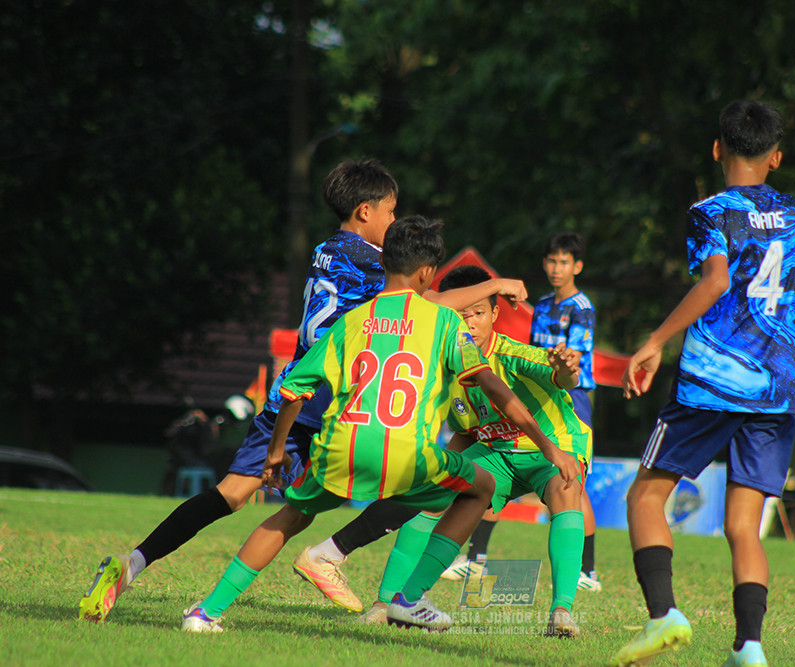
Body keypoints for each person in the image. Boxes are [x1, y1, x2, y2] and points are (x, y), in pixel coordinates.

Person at [79, 158, 528, 623]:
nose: (394, 222)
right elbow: (424, 302)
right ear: (363, 212)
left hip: (291, 397)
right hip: (334, 405)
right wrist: (491, 285)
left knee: (231, 495)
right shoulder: (370, 262)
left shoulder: (325, 250)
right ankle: (350, 569)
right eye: (390, 212)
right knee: (405, 483)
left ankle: (132, 565)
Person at [179, 216, 578, 633]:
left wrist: (277, 452)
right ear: (427, 273)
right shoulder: (444, 322)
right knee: (481, 486)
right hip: (406, 455)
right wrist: (548, 448)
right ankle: (409, 598)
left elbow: (294, 389)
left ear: (384, 261)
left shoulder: (352, 320)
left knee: (290, 517)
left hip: (341, 448)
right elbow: (496, 391)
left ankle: (207, 612)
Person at [609, 100, 795, 667]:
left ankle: (664, 616)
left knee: (644, 496)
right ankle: (750, 648)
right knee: (744, 524)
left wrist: (656, 339)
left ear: (718, 149)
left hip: (709, 384)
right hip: (776, 388)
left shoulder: (710, 211)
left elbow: (714, 282)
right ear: (777, 158)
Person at [364, 265, 591, 636]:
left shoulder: (514, 354)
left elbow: (561, 376)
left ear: (495, 314)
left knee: (566, 491)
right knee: (432, 495)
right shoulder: (446, 369)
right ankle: (388, 602)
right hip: (497, 453)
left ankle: (561, 612)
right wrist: (445, 475)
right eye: (461, 313)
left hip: (552, 448)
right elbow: (465, 436)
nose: (470, 323)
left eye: (479, 313)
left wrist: (567, 369)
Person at [439, 231, 602, 590]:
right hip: (531, 383)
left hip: (568, 393)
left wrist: (562, 369)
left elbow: (569, 365)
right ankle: (476, 557)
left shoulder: (582, 307)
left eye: (563, 262)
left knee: (571, 483)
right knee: (498, 465)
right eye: (551, 261)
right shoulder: (542, 304)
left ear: (577, 266)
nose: (556, 268)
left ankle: (585, 570)